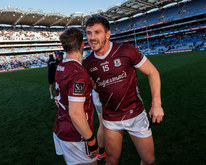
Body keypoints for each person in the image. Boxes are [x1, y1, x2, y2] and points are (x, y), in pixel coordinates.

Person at [83, 16, 164, 165]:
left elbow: (153, 72)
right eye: (88, 33)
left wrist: (156, 103)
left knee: (149, 160)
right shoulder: (87, 63)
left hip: (136, 114)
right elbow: (92, 85)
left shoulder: (126, 50)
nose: (92, 37)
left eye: (97, 32)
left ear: (108, 34)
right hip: (111, 119)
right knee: (112, 160)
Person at [53, 27, 99, 165]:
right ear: (82, 44)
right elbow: (75, 113)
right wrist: (91, 140)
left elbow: (61, 96)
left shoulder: (61, 66)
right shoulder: (78, 73)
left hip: (59, 128)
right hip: (76, 135)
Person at [92, 88, 106, 161]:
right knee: (103, 124)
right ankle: (101, 153)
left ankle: (102, 153)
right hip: (101, 94)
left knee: (107, 123)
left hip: (100, 94)